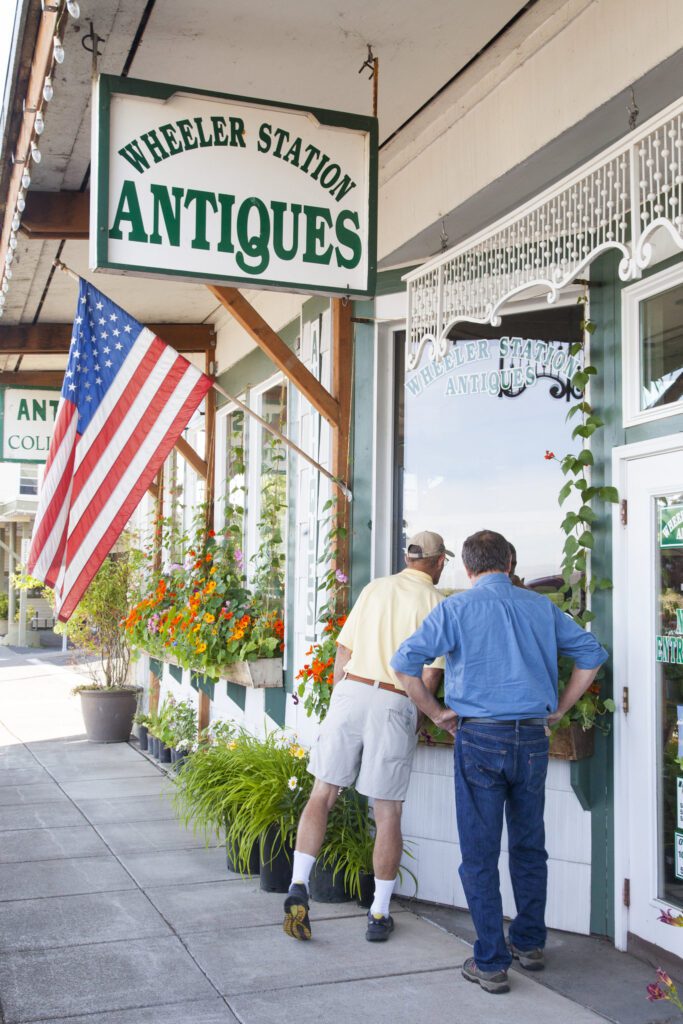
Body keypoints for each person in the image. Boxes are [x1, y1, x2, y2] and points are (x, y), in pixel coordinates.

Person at [391, 529, 608, 995]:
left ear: (468, 569)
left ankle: (490, 961)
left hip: (480, 738)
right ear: (509, 562)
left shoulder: (456, 607)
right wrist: (562, 708)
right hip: (530, 738)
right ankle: (529, 944)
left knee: (479, 852)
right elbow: (592, 655)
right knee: (530, 846)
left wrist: (436, 713)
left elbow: (404, 663)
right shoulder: (540, 607)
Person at [283, 530, 458, 943]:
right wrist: (420, 719)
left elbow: (342, 654)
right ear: (438, 562)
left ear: (407, 556)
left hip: (351, 691)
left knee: (322, 793)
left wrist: (338, 702)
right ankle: (378, 913)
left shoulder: (375, 589)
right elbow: (430, 674)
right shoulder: (437, 603)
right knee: (387, 812)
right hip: (395, 699)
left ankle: (298, 885)